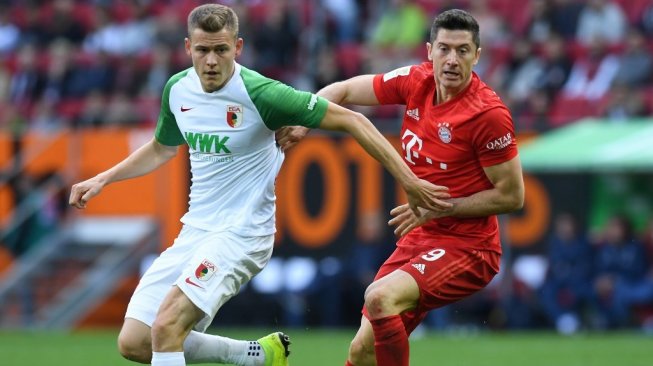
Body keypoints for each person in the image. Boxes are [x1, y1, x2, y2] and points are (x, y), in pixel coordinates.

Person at [68, 4, 451, 366]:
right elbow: (160, 148)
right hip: (194, 231)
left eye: (221, 50)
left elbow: (354, 121)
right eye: (202, 50)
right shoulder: (177, 89)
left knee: (167, 326)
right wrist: (104, 178)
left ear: (238, 47)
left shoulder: (260, 93)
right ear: (188, 47)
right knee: (134, 342)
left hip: (242, 234)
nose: (212, 60)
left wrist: (410, 181)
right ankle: (257, 355)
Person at [277, 9, 524, 366]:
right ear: (429, 50)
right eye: (444, 49)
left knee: (379, 297)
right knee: (361, 351)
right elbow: (344, 90)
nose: (452, 59)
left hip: (469, 247)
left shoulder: (488, 114)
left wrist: (444, 207)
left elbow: (513, 196)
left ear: (477, 55)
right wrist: (305, 120)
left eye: (463, 50)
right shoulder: (415, 80)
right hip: (420, 237)